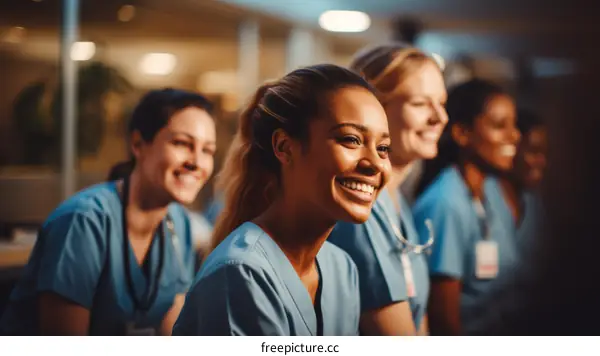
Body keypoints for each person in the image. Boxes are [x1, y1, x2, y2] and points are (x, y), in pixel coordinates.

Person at [172, 64, 392, 336]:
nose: (375, 164)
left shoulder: (341, 269)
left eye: (383, 148)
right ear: (285, 148)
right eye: (351, 139)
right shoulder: (241, 272)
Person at [0, 88, 216, 335]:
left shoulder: (180, 224)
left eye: (207, 150)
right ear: (138, 144)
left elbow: (171, 335)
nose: (197, 162)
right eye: (182, 143)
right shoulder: (83, 221)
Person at [327, 43, 448, 335]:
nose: (439, 118)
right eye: (420, 104)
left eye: (441, 103)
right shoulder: (360, 209)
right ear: (373, 110)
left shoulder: (396, 202)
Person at [413, 79, 536, 335]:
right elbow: (445, 323)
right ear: (462, 134)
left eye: (514, 125)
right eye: (499, 125)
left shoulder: (492, 191)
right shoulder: (444, 203)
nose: (514, 135)